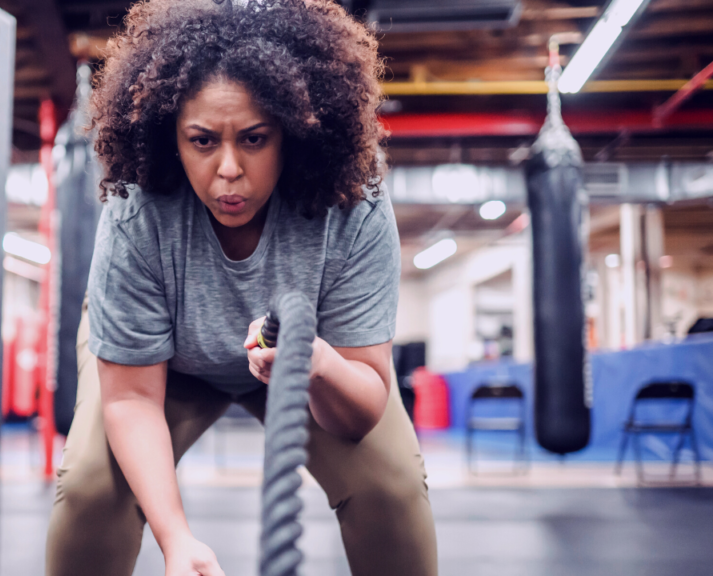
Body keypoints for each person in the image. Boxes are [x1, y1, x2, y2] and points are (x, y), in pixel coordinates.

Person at [45, 1, 437, 575]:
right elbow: (131, 398)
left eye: (254, 139)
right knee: (89, 492)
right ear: (171, 139)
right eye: (202, 141)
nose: (228, 169)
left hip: (309, 369)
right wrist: (176, 539)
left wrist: (320, 366)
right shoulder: (138, 210)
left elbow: (361, 410)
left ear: (294, 135)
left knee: (393, 488)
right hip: (164, 368)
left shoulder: (354, 204)